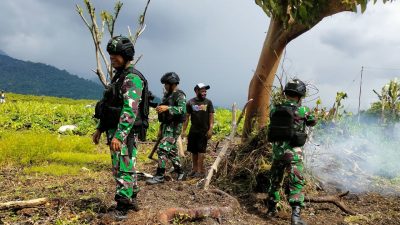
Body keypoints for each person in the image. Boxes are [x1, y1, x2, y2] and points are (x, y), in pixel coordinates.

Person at [92, 36, 143, 216]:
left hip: (124, 133)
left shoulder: (132, 79)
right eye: (111, 55)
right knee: (126, 166)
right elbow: (109, 106)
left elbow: (129, 111)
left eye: (116, 55)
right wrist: (100, 128)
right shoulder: (119, 77)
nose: (113, 58)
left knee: (123, 168)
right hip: (114, 130)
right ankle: (132, 199)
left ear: (126, 55)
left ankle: (122, 208)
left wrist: (119, 136)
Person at [266, 79, 316, 225]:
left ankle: (271, 209)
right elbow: (312, 121)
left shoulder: (275, 108)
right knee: (296, 182)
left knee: (275, 181)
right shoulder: (303, 110)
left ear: (286, 93)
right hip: (294, 154)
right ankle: (295, 217)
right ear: (300, 95)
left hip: (277, 153)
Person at [146, 72, 186, 185]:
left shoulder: (180, 95)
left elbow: (182, 109)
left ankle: (160, 176)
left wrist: (167, 108)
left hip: (174, 127)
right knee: (172, 152)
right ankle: (181, 172)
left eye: (166, 84)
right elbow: (163, 110)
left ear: (173, 84)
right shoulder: (167, 96)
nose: (165, 86)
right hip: (166, 126)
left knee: (162, 149)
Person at [182, 83, 214, 178]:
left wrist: (210, 129)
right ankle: (194, 169)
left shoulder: (208, 102)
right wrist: (184, 130)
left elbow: (211, 116)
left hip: (204, 131)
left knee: (201, 151)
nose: (205, 92)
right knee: (193, 151)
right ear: (196, 91)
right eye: (202, 91)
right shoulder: (190, 102)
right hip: (193, 130)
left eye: (205, 91)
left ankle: (200, 170)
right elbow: (187, 118)